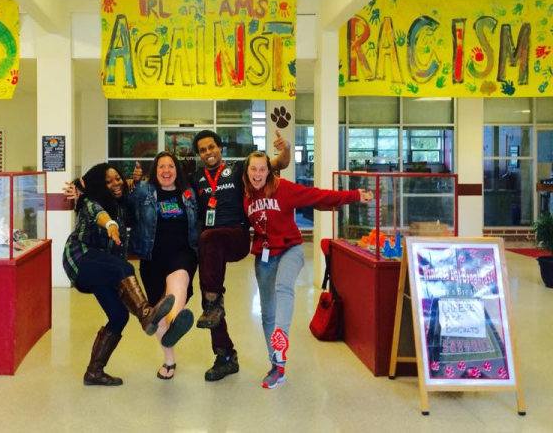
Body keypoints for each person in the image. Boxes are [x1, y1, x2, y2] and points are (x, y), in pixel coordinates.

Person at [242, 151, 374, 389]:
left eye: (263, 169)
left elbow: (317, 194)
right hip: (264, 255)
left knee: (283, 287)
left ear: (269, 171)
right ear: (247, 171)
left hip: (290, 249)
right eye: (254, 169)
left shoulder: (284, 189)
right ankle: (277, 367)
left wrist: (354, 195)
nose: (258, 174)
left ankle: (280, 345)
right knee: (267, 313)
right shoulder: (245, 195)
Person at [190, 129, 291, 381]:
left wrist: (285, 148)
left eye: (211, 147)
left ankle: (215, 304)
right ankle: (225, 356)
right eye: (202, 150)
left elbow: (279, 163)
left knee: (209, 239)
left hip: (235, 236)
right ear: (199, 155)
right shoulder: (195, 178)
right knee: (208, 300)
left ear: (220, 148)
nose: (208, 153)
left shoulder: (237, 169)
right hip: (210, 246)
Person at [61, 163, 175, 386]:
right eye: (109, 181)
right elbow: (99, 214)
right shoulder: (88, 201)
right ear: (98, 186)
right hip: (82, 258)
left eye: (118, 179)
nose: (116, 184)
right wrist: (110, 225)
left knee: (119, 316)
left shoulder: (120, 205)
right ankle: (146, 315)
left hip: (103, 267)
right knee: (125, 269)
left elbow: (134, 202)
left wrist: (134, 182)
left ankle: (94, 372)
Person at [127, 152, 198, 379]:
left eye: (170, 166)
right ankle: (169, 360)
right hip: (151, 256)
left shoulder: (188, 194)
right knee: (158, 311)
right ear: (155, 171)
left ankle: (177, 322)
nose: (166, 171)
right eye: (161, 167)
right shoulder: (143, 191)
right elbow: (121, 203)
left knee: (178, 280)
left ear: (177, 169)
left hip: (182, 252)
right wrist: (131, 183)